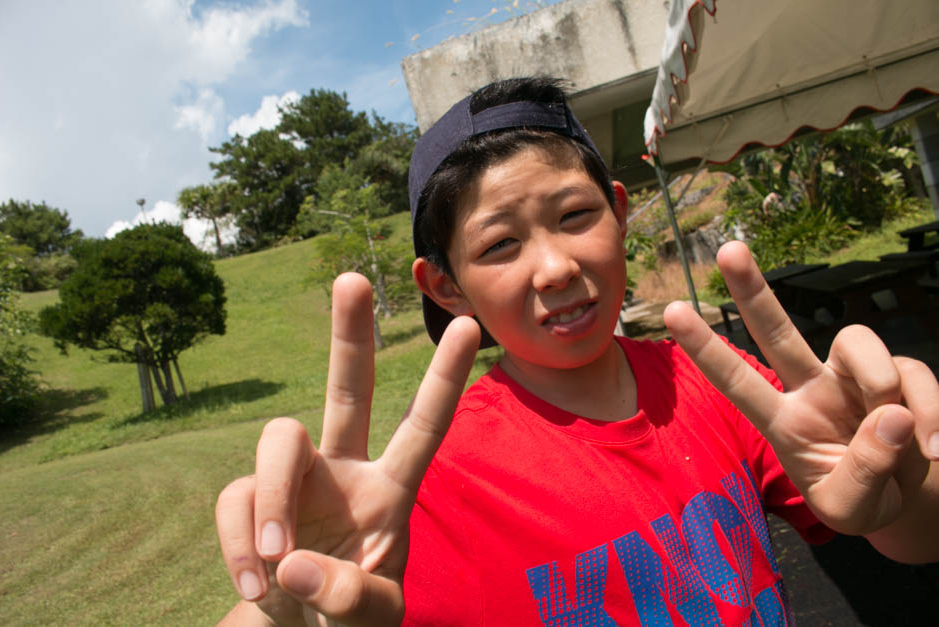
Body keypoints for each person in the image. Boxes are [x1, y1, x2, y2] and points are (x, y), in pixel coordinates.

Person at [215, 77, 939, 626]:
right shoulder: (426, 485)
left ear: (620, 213)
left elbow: (912, 536)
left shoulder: (714, 381)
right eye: (499, 244)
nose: (555, 266)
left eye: (575, 215)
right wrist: (288, 603)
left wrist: (903, 479)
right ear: (445, 285)